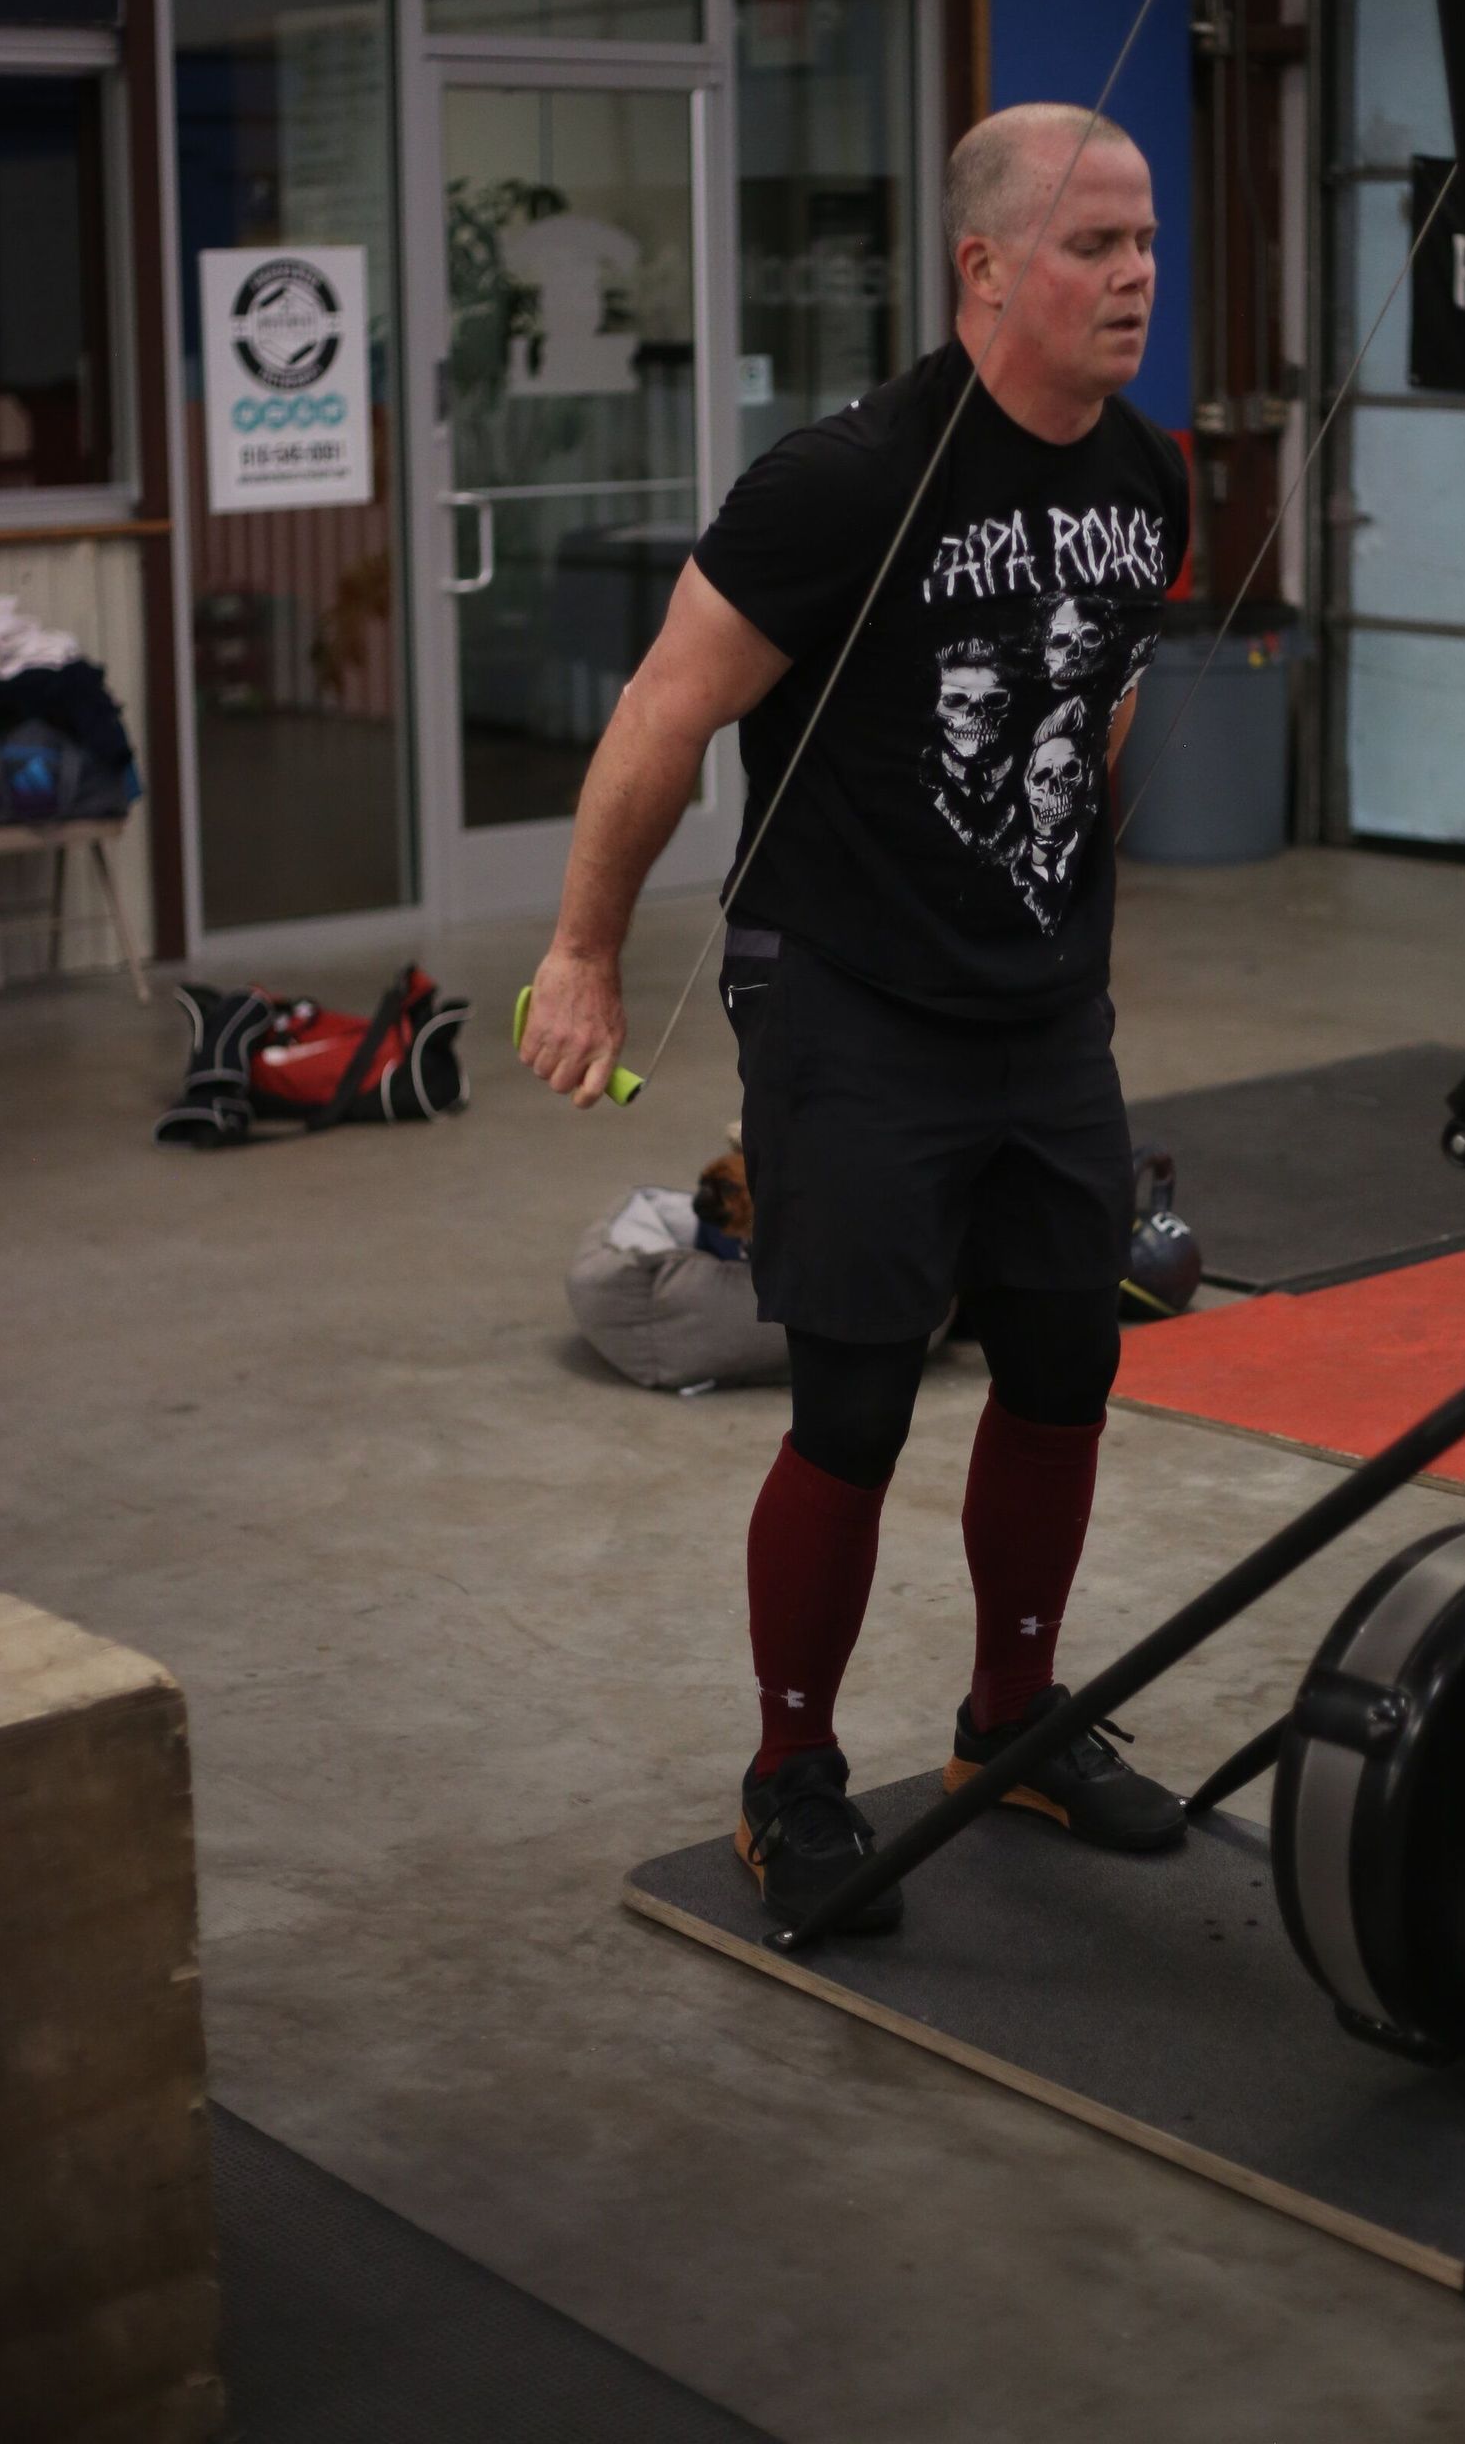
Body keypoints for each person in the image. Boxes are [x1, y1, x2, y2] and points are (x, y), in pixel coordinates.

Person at [520, 101, 1191, 1934]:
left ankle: (1009, 1725)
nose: (1135, 276)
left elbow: (1101, 699)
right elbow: (665, 709)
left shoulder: (1147, 475)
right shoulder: (843, 481)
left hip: (1045, 1008)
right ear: (985, 267)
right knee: (860, 1402)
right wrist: (583, 953)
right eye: (1092, 248)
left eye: (1144, 242)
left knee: (1068, 1365)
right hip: (848, 1001)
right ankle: (790, 1774)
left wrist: (1047, 880)